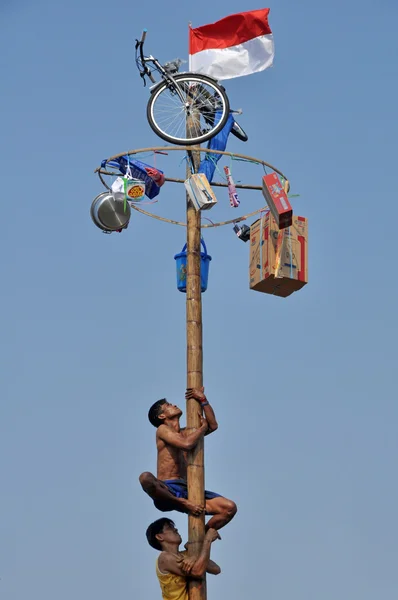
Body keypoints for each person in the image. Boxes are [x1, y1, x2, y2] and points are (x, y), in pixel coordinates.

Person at [139, 387, 237, 530]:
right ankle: (182, 503)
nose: (174, 405)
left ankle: (201, 538)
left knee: (229, 508)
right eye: (168, 406)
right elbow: (187, 444)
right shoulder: (162, 430)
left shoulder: (187, 433)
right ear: (162, 416)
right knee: (145, 478)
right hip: (167, 490)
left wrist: (203, 400)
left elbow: (213, 425)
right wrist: (202, 428)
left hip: (187, 489)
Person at [146, 517, 221, 600]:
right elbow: (198, 571)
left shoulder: (184, 555)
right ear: (159, 537)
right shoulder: (164, 558)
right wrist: (207, 540)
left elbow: (216, 569)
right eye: (169, 528)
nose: (175, 529)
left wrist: (195, 554)